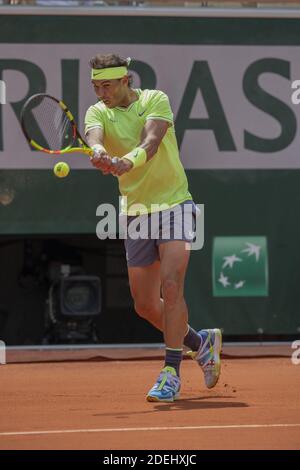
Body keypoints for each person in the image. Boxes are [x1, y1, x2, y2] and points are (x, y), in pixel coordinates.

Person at [85, 53, 222, 402]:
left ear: (126, 80)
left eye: (108, 85)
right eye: (96, 86)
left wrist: (124, 161)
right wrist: (100, 151)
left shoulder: (154, 100)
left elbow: (151, 141)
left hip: (175, 202)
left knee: (172, 285)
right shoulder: (97, 111)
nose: (102, 92)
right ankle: (199, 341)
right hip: (135, 213)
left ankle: (171, 372)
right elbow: (94, 134)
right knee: (145, 305)